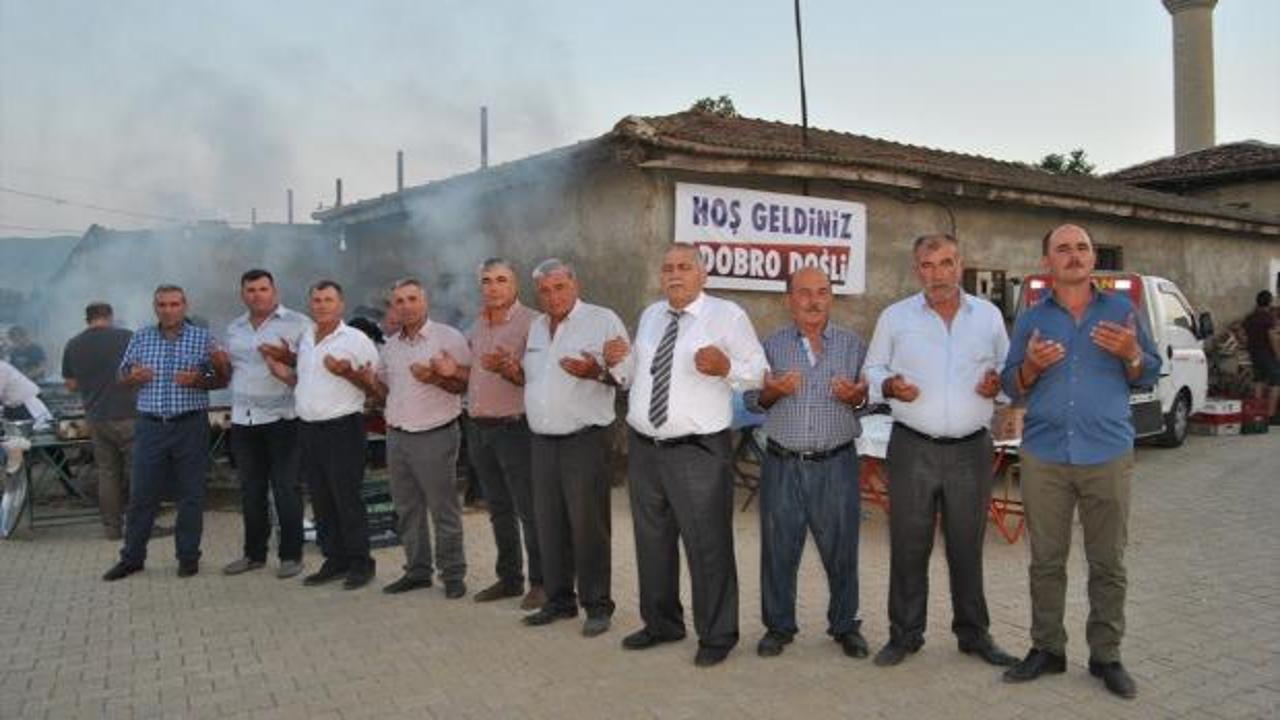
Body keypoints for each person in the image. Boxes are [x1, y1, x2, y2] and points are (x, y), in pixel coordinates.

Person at [1001, 224, 1160, 699]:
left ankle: (1106, 655)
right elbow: (1012, 383)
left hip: (1107, 453)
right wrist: (1031, 366)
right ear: (1047, 262)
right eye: (1063, 249)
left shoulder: (1122, 311)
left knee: (1108, 562)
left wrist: (1132, 353)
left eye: (1082, 248)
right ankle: (1046, 649)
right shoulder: (1031, 318)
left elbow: (1148, 371)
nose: (1074, 255)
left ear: (1094, 258)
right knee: (1045, 562)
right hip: (1045, 454)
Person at [862, 233, 1017, 669]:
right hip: (913, 446)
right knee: (908, 545)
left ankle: (974, 635)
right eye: (928, 266)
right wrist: (890, 385)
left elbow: (1008, 370)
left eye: (946, 263)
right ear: (917, 271)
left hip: (971, 449)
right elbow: (872, 370)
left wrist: (997, 385)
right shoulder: (896, 317)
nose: (938, 274)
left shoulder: (986, 316)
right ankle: (905, 636)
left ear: (960, 265)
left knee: (966, 546)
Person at [614, 244, 768, 667]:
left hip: (697, 452)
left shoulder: (727, 316)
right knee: (652, 542)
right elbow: (635, 375)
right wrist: (618, 364)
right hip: (645, 448)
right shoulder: (650, 315)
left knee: (708, 545)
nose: (674, 274)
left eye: (684, 267)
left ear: (703, 275)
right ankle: (662, 623)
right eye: (667, 268)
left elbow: (757, 372)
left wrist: (725, 368)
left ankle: (717, 634)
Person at [743, 266, 870, 659]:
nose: (813, 300)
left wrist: (856, 398)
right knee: (779, 549)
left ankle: (845, 625)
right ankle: (778, 627)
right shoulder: (770, 346)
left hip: (836, 464)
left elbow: (873, 400)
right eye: (804, 292)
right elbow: (750, 401)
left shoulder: (853, 346)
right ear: (789, 299)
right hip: (783, 464)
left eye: (822, 292)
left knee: (842, 549)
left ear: (831, 297)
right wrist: (772, 393)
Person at [519, 259, 630, 637]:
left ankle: (597, 605)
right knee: (548, 523)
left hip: (585, 439)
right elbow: (536, 380)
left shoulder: (602, 319)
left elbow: (625, 377)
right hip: (541, 440)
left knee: (588, 527)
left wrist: (594, 372)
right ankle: (559, 600)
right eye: (546, 291)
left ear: (575, 285)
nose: (553, 296)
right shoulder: (535, 326)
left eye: (560, 287)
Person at [102, 285, 228, 581]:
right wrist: (131, 377)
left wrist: (199, 378)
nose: (168, 310)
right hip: (150, 425)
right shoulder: (141, 336)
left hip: (190, 424)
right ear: (155, 307)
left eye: (174, 304)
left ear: (185, 306)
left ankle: (188, 557)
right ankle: (132, 558)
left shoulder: (204, 338)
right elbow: (121, 375)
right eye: (162, 305)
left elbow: (220, 378)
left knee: (191, 495)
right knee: (142, 495)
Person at [265, 280, 381, 590]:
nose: (322, 305)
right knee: (321, 499)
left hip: (342, 428)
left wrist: (349, 373)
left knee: (347, 498)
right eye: (316, 300)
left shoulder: (356, 340)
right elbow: (306, 381)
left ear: (341, 304)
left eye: (329, 300)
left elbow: (376, 391)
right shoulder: (306, 338)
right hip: (308, 429)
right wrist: (284, 375)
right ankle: (335, 559)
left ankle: (361, 563)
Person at [370, 278, 471, 599]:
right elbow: (385, 390)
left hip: (435, 434)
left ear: (425, 302)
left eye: (412, 299)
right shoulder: (390, 345)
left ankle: (453, 574)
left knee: (443, 509)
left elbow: (465, 385)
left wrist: (442, 375)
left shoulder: (448, 338)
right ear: (393, 308)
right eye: (399, 301)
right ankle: (417, 571)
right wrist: (363, 381)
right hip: (397, 436)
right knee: (407, 509)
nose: (406, 306)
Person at [220, 270, 311, 579]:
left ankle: (291, 555)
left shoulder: (299, 324)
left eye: (263, 289)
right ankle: (254, 554)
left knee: (286, 489)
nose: (257, 295)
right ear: (242, 294)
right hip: (244, 420)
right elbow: (230, 369)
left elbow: (312, 369)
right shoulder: (234, 328)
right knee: (250, 490)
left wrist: (288, 362)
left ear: (275, 291)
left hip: (283, 420)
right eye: (251, 290)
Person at [465, 258, 545, 609]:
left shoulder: (533, 323)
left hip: (516, 427)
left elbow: (537, 378)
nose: (493, 287)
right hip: (480, 428)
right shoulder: (477, 324)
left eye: (501, 280)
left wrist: (512, 370)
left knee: (529, 509)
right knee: (498, 508)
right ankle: (509, 578)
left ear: (515, 286)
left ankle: (542, 582)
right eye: (487, 281)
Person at [62, 302, 138, 540]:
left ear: (88, 319)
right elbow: (142, 371)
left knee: (108, 473)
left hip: (96, 417)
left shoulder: (73, 344)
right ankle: (139, 526)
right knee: (138, 471)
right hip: (129, 414)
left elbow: (71, 384)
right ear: (110, 316)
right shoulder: (127, 337)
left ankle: (112, 529)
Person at [1243, 290, 1279, 423]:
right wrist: (1278, 354)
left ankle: (1257, 412)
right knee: (1276, 382)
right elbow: (1272, 338)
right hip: (1267, 353)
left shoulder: (1249, 317)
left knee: (1258, 381)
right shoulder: (1268, 318)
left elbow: (1243, 336)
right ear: (1269, 302)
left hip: (1254, 353)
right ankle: (1271, 415)